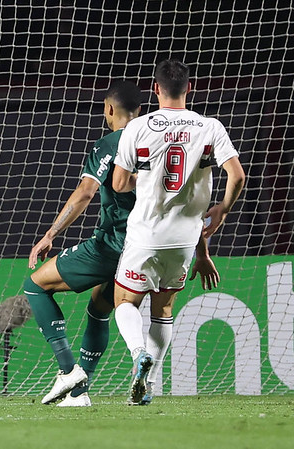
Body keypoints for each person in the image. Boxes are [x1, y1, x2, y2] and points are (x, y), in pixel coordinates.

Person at [25, 80, 220, 407]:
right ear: (141, 109)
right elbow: (196, 200)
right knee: (100, 308)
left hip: (112, 245)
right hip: (156, 246)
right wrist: (203, 249)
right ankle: (80, 394)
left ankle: (67, 371)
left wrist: (50, 234)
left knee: (35, 285)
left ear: (109, 109)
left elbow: (86, 193)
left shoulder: (110, 143)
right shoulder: (167, 140)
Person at [111, 59, 245, 405]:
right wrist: (223, 210)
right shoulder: (210, 127)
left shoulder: (138, 127)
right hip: (186, 238)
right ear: (190, 88)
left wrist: (144, 179)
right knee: (164, 309)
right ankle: (149, 385)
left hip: (146, 233)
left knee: (125, 301)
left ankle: (138, 351)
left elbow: (119, 182)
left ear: (156, 89)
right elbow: (238, 176)